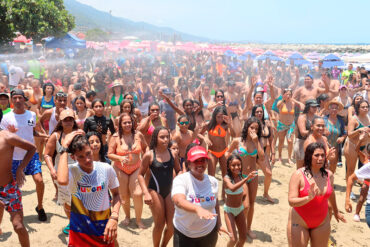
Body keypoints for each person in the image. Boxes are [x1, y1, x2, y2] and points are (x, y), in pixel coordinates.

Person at [57, 131, 121, 246]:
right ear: (73, 157)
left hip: (103, 229)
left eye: (88, 154)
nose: (87, 159)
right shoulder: (72, 171)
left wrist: (114, 217)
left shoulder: (106, 169)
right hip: (80, 232)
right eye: (81, 156)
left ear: (91, 150)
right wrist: (65, 146)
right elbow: (61, 181)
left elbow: (116, 195)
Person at [0, 89, 48, 222]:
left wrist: (45, 136)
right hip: (13, 158)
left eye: (20, 98)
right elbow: (3, 138)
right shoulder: (5, 118)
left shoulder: (32, 115)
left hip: (31, 155)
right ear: (11, 100)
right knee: (9, 188)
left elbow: (32, 132)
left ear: (24, 99)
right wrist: (10, 134)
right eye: (14, 98)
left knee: (39, 181)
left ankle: (40, 207)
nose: (17, 100)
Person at [287, 142, 346, 247]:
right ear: (309, 156)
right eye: (316, 155)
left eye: (323, 155)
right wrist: (308, 198)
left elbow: (331, 193)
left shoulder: (329, 175)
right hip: (299, 221)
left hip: (322, 222)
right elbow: (291, 201)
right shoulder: (298, 175)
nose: (320, 158)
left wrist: (336, 211)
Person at [171, 145, 225, 247]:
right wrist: (197, 209)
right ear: (189, 163)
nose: (200, 163)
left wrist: (219, 224)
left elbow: (215, 203)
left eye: (203, 160)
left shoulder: (213, 181)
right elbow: (178, 200)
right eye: (196, 161)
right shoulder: (181, 180)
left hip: (208, 233)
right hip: (184, 234)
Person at [138, 126, 181, 247]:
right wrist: (145, 193)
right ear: (155, 138)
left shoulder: (173, 153)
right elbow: (140, 175)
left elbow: (178, 170)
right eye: (162, 137)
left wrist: (179, 185)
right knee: (160, 223)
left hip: (169, 191)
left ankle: (163, 245)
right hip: (154, 190)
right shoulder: (149, 155)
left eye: (167, 136)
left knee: (172, 226)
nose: (165, 139)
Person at [0, 109, 36, 247]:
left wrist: (21, 168)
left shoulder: (7, 137)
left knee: (19, 226)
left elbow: (32, 148)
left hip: (9, 189)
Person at [226, 117, 265, 239]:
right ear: (246, 127)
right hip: (240, 176)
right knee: (245, 205)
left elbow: (262, 158)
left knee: (252, 204)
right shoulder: (237, 141)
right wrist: (233, 165)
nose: (253, 130)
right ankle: (241, 226)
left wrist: (257, 141)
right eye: (251, 127)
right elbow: (227, 153)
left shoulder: (257, 142)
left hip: (253, 175)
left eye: (256, 129)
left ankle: (248, 229)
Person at [108, 113, 147, 229]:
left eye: (129, 122)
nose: (127, 124)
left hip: (136, 167)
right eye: (124, 123)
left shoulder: (138, 135)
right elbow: (109, 154)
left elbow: (146, 148)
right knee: (123, 195)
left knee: (138, 194)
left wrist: (147, 160)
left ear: (133, 123)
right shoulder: (115, 137)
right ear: (120, 124)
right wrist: (119, 158)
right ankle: (128, 217)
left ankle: (139, 220)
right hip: (120, 169)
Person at [43, 109, 78, 234]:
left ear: (74, 120)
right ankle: (71, 223)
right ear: (61, 122)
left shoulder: (80, 134)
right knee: (66, 200)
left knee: (80, 199)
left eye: (71, 119)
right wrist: (52, 170)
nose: (68, 122)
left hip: (79, 171)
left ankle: (79, 222)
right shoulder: (56, 136)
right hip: (61, 171)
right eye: (65, 120)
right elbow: (47, 154)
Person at [223, 154, 257, 247]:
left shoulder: (240, 177)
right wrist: (246, 179)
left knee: (243, 238)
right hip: (229, 211)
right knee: (233, 239)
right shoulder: (226, 178)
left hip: (239, 210)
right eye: (233, 165)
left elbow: (243, 193)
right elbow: (232, 188)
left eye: (239, 165)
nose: (236, 167)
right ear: (229, 167)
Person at [344, 99, 370, 200]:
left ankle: (364, 189)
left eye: (367, 107)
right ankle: (349, 191)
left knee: (366, 168)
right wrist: (359, 130)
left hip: (364, 146)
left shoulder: (368, 118)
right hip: (352, 145)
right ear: (358, 109)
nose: (365, 109)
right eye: (363, 107)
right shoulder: (354, 119)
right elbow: (349, 134)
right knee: (350, 169)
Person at [251, 104, 275, 202]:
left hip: (264, 152)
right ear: (254, 113)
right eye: (257, 112)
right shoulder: (251, 124)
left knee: (268, 174)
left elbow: (271, 139)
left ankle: (265, 193)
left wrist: (273, 153)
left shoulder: (267, 123)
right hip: (252, 153)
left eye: (261, 111)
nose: (259, 113)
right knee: (251, 176)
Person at [345, 131, 370, 225]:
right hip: (367, 184)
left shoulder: (366, 159)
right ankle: (357, 213)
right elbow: (357, 150)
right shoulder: (365, 159)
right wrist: (360, 141)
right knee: (361, 199)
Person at [276, 88, 302, 164]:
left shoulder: (292, 103)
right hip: (282, 125)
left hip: (291, 125)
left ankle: (289, 158)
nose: (288, 96)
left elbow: (298, 106)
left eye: (290, 94)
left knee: (290, 141)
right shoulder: (281, 102)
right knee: (281, 141)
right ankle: (280, 156)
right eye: (286, 94)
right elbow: (277, 106)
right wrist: (283, 99)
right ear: (283, 95)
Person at [323, 99, 346, 173]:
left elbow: (344, 133)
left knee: (333, 165)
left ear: (338, 110)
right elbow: (316, 130)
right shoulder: (323, 119)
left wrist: (342, 138)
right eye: (332, 108)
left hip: (335, 147)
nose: (334, 109)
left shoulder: (341, 121)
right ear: (329, 109)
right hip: (323, 146)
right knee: (323, 164)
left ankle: (330, 182)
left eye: (336, 108)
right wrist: (323, 130)